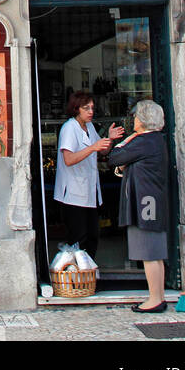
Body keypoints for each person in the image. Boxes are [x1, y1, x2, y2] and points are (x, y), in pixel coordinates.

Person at [110, 99, 170, 313]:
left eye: (136, 117)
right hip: (150, 200)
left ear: (143, 120)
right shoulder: (153, 141)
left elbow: (115, 157)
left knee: (150, 251)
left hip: (146, 203)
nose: (133, 120)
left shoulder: (144, 141)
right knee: (153, 251)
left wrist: (131, 138)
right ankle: (158, 296)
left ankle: (155, 299)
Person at [54, 92, 124, 261]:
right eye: (86, 108)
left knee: (92, 236)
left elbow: (102, 150)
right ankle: (77, 280)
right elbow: (69, 159)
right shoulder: (69, 128)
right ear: (76, 108)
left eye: (92, 108)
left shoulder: (89, 126)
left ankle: (88, 277)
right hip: (72, 194)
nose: (91, 111)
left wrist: (110, 139)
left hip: (90, 192)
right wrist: (93, 147)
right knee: (79, 238)